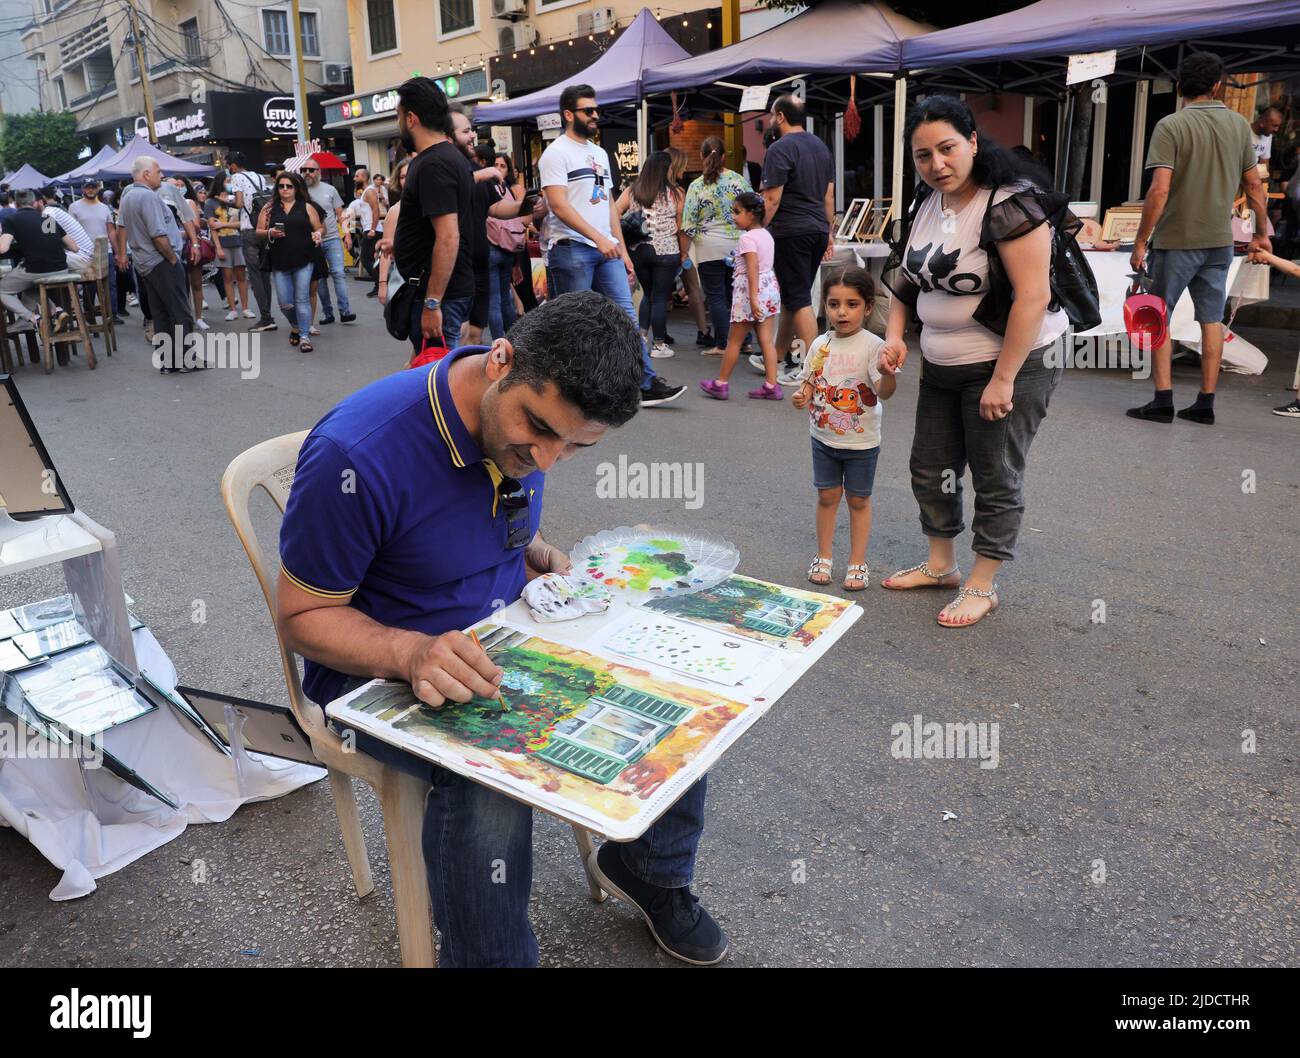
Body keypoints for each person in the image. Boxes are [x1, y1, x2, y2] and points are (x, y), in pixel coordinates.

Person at [275, 290, 728, 968]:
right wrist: (409, 650)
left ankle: (650, 870)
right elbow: (302, 617)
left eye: (574, 446)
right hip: (372, 667)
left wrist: (535, 552)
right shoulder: (357, 455)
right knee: (488, 774)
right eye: (539, 431)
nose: (547, 460)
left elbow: (491, 513)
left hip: (500, 630)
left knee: (672, 686)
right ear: (501, 360)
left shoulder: (516, 427)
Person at [879, 94, 1067, 629]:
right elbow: (904, 277)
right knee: (931, 466)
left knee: (995, 472)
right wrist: (895, 335)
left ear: (973, 143)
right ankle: (941, 565)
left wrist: (1003, 379)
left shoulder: (1009, 204)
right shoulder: (925, 203)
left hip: (1010, 360)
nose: (936, 164)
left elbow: (1032, 296)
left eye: (947, 149)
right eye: (922, 155)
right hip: (941, 363)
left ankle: (982, 584)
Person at [1127, 51, 1269, 426]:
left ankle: (1162, 400)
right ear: (1217, 85)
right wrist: (1260, 233)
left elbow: (1159, 190)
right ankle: (1205, 402)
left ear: (1179, 87)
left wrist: (1141, 241)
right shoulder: (1239, 125)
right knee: (1211, 320)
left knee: (1160, 316)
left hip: (1176, 239)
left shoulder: (1170, 126)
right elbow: (1254, 184)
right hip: (1219, 241)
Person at [539, 83, 684, 407]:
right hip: (571, 248)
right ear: (568, 114)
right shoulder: (555, 153)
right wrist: (599, 238)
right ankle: (567, 392)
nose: (595, 115)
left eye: (595, 109)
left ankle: (646, 384)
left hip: (605, 250)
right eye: (587, 110)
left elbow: (608, 204)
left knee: (626, 317)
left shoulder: (600, 154)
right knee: (576, 325)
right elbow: (559, 206)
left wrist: (619, 247)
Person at [790, 268, 896, 591]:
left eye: (851, 304)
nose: (842, 312)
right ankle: (823, 555)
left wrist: (888, 372)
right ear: (825, 306)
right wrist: (802, 395)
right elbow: (811, 380)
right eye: (834, 304)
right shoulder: (820, 344)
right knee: (826, 496)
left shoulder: (873, 346)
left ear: (866, 307)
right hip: (823, 438)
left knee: (859, 500)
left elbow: (884, 392)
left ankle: (857, 562)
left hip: (861, 442)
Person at [391, 76, 476, 354]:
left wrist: (432, 303)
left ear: (412, 118)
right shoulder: (443, 157)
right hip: (442, 290)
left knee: (440, 383)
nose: (398, 123)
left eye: (399, 116)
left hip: (440, 295)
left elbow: (448, 236)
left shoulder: (434, 164)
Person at [761, 93, 835, 386]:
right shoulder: (821, 147)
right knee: (794, 297)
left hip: (790, 230)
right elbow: (829, 196)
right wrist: (828, 232)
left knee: (800, 298)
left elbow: (772, 198)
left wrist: (758, 231)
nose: (769, 120)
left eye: (771, 115)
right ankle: (777, 359)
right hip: (816, 228)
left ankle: (818, 369)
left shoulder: (780, 148)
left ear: (780, 117)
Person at [698, 191, 783, 400]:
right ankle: (772, 385)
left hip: (750, 292)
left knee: (734, 341)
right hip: (769, 287)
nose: (734, 217)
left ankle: (721, 383)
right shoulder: (767, 235)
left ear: (751, 214)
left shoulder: (747, 238)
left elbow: (752, 266)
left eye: (737, 212)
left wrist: (753, 298)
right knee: (766, 341)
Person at [118, 156, 198, 371]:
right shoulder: (148, 197)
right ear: (146, 174)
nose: (161, 176)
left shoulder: (128, 196)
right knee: (180, 312)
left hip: (145, 263)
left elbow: (125, 229)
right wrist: (172, 258)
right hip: (160, 261)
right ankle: (186, 360)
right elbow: (157, 234)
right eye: (158, 171)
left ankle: (168, 362)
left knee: (160, 314)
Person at [683, 136, 752, 353]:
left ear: (702, 156)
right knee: (738, 296)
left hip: (708, 248)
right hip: (737, 246)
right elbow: (754, 209)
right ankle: (746, 341)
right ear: (723, 156)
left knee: (717, 298)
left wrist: (684, 252)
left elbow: (688, 224)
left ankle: (723, 344)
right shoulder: (739, 181)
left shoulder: (696, 186)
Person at [616, 151, 683, 358]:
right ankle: (659, 345)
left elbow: (615, 211)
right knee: (661, 298)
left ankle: (642, 337)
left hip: (639, 250)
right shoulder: (676, 193)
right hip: (666, 251)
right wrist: (684, 253)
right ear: (666, 170)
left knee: (649, 294)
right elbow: (680, 227)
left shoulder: (633, 190)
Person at [257, 170, 324, 353]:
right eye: (281, 186)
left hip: (304, 258)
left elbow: (319, 227)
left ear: (296, 188)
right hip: (279, 260)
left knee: (302, 299)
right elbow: (258, 231)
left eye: (289, 186)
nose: (285, 189)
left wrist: (318, 234)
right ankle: (295, 324)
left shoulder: (307, 207)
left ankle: (304, 336)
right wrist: (270, 232)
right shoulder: (269, 208)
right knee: (284, 302)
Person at [0, 189, 80, 336]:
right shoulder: (47, 219)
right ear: (34, 202)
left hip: (36, 269)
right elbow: (74, 247)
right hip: (61, 268)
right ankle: (56, 312)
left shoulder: (12, 220)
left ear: (16, 204)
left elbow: (3, 248)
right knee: (28, 285)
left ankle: (32, 319)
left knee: (3, 290)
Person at [666, 147, 712, 348]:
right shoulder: (679, 192)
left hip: (660, 247)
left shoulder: (649, 190)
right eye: (682, 167)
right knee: (693, 287)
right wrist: (683, 250)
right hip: (678, 246)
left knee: (659, 293)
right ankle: (703, 331)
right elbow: (683, 224)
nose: (684, 171)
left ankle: (659, 333)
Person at [302, 161, 355, 325]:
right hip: (311, 241)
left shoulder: (330, 189)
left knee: (338, 273)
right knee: (320, 279)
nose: (307, 173)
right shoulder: (299, 192)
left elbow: (341, 215)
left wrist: (347, 234)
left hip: (332, 238)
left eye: (311, 170)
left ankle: (345, 311)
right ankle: (327, 313)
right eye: (304, 170)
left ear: (318, 171)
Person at [227, 152, 275, 330]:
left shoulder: (236, 177)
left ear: (232, 166)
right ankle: (268, 313)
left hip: (249, 230)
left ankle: (266, 318)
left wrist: (225, 201)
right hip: (263, 228)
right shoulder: (259, 176)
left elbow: (239, 204)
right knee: (265, 275)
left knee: (254, 275)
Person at [69, 179, 124, 324]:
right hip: (85, 252)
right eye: (87, 188)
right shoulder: (74, 207)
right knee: (89, 286)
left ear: (98, 188)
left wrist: (118, 252)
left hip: (106, 251)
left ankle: (112, 314)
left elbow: (111, 231)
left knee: (110, 284)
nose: (90, 190)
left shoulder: (104, 208)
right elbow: (70, 231)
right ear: (82, 189)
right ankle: (90, 314)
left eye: (93, 187)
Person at [485, 152, 528, 340]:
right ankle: (513, 341)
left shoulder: (489, 188)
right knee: (505, 298)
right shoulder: (509, 190)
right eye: (496, 164)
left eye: (502, 165)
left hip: (492, 248)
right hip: (509, 247)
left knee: (496, 301)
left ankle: (499, 345)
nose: (499, 168)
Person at [205, 176, 251, 320]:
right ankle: (232, 309)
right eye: (228, 181)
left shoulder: (236, 201)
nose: (231, 184)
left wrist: (223, 225)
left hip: (238, 242)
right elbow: (212, 227)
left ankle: (245, 308)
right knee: (227, 277)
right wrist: (218, 247)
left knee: (242, 276)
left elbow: (242, 223)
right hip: (223, 244)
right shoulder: (210, 203)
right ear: (220, 183)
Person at [376, 155, 413, 307]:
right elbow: (385, 252)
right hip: (405, 278)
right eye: (403, 176)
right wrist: (383, 284)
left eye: (411, 174)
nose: (407, 179)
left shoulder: (433, 205)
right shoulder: (395, 211)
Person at [37, 185, 93, 272]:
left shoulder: (48, 213)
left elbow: (49, 240)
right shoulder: (54, 210)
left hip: (82, 258)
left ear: (40, 201)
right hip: (85, 255)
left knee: (37, 262)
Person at [362, 170, 388, 297]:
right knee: (372, 259)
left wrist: (372, 229)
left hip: (374, 228)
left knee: (366, 258)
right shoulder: (366, 191)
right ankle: (380, 284)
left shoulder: (370, 191)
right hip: (371, 227)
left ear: (364, 177)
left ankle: (380, 284)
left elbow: (376, 209)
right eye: (376, 179)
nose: (354, 178)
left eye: (357, 176)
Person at [1252, 105, 1283, 171]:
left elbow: (1264, 161)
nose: (1276, 130)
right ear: (1262, 123)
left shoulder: (1268, 136)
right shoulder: (1244, 132)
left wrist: (1264, 180)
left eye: (1278, 126)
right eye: (1274, 126)